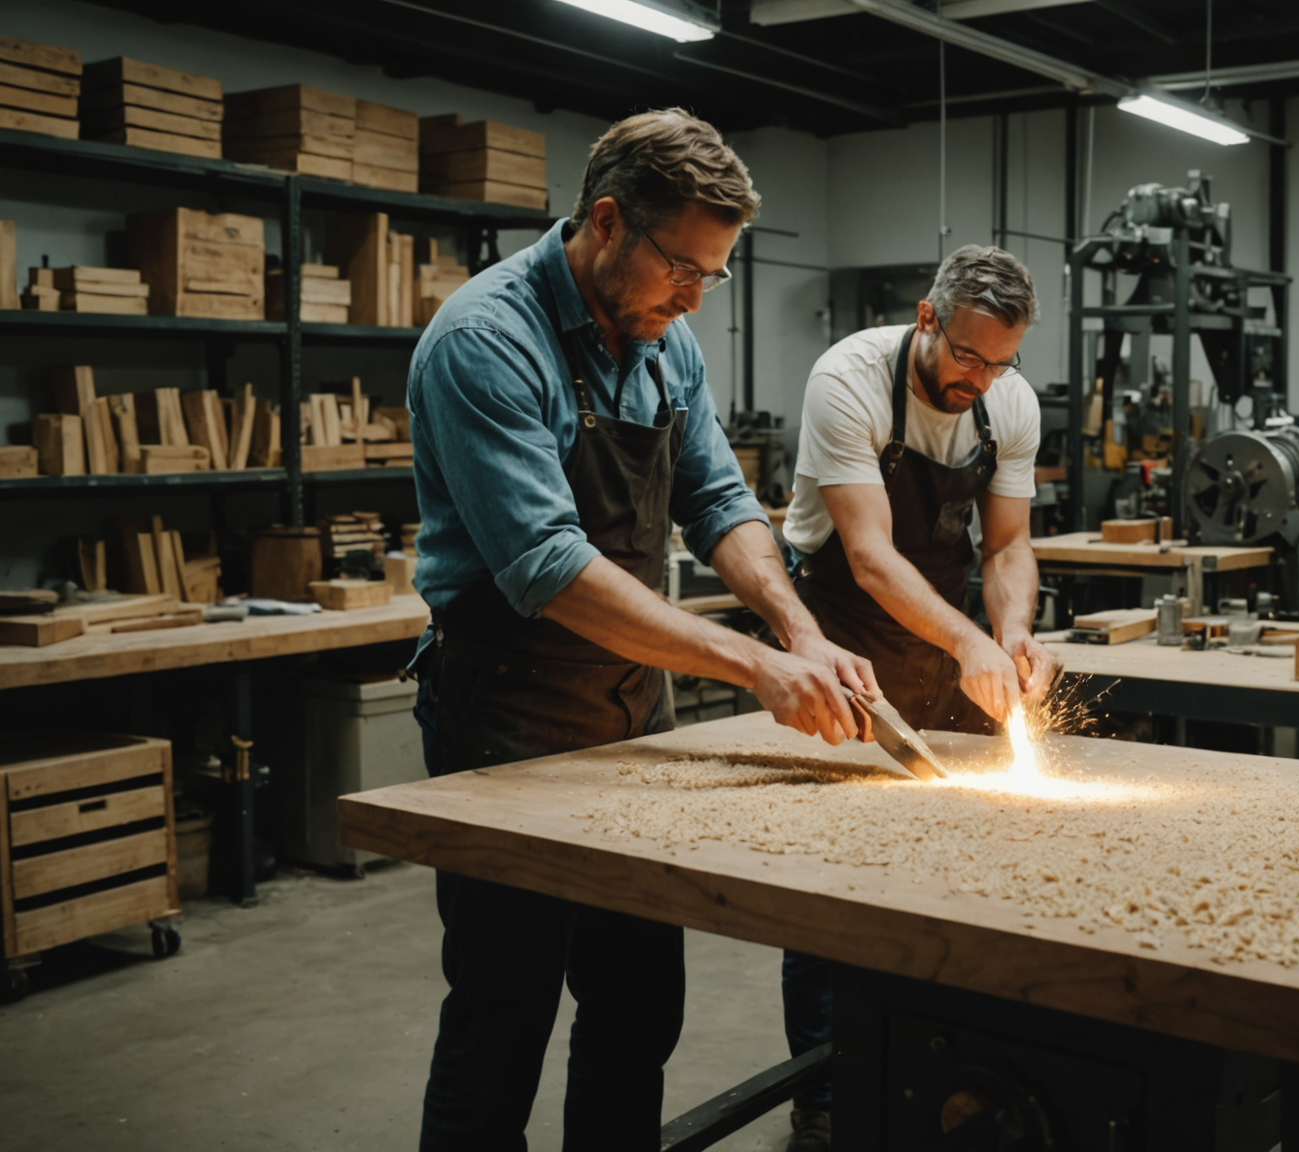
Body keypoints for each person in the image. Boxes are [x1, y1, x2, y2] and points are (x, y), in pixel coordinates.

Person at [405, 108, 875, 1151]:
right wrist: (752, 665)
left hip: (629, 708)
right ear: (608, 221)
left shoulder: (667, 339)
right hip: (509, 715)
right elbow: (549, 567)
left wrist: (797, 630)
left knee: (636, 1005)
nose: (696, 296)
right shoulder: (486, 340)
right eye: (682, 268)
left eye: (714, 274)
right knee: (502, 1018)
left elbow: (717, 499)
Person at [771, 246, 1058, 1149]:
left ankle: (939, 1073)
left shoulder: (1009, 403)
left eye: (1001, 362)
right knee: (836, 869)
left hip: (945, 629)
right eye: (968, 356)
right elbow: (868, 557)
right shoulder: (849, 379)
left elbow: (1005, 546)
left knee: (957, 849)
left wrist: (1010, 631)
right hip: (845, 628)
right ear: (927, 319)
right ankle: (824, 1091)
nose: (982, 379)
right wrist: (968, 639)